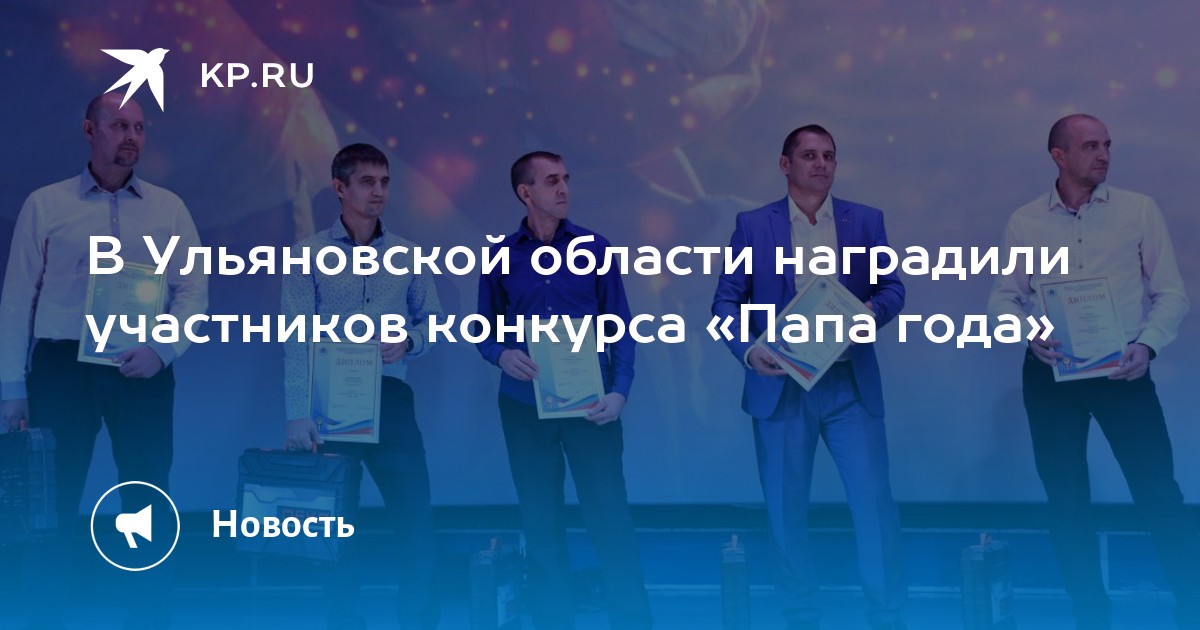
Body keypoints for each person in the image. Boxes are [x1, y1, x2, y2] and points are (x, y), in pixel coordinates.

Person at [0, 92, 208, 628]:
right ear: (89, 130)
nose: (131, 136)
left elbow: (193, 293)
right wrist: (11, 387)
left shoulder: (169, 208)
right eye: (118, 125)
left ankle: (149, 618)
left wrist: (163, 350)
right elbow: (18, 298)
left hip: (142, 368)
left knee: (147, 494)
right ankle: (40, 619)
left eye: (139, 126)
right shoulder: (46, 204)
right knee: (52, 498)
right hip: (63, 369)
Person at [988, 113, 1199, 629]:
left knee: (1159, 494)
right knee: (1066, 502)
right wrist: (1028, 333)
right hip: (1051, 378)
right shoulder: (1025, 221)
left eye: (1106, 145)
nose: (1103, 155)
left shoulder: (1138, 210)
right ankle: (1090, 612)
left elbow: (1171, 293)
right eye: (1090, 146)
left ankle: (1192, 605)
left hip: (1123, 373)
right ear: (1058, 156)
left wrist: (1147, 346)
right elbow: (1003, 299)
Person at [711, 125, 907, 630]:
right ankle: (800, 615)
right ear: (785, 165)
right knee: (785, 509)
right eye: (810, 155)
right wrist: (749, 350)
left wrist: (871, 311)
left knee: (874, 503)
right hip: (782, 387)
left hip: (848, 386)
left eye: (829, 156)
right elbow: (725, 303)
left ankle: (887, 614)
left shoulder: (866, 221)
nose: (821, 164)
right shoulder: (753, 225)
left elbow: (892, 289)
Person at [475, 151, 653, 630]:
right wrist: (499, 354)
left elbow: (621, 327)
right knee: (540, 517)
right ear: (525, 192)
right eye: (552, 181)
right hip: (523, 405)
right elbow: (483, 328)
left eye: (567, 179)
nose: (564, 189)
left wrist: (620, 391)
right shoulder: (500, 255)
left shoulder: (596, 248)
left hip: (592, 403)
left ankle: (633, 620)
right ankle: (553, 619)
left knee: (608, 513)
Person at [281, 143, 442, 630]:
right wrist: (297, 413)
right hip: (332, 402)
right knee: (336, 524)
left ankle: (419, 621)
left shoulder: (408, 254)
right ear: (339, 187)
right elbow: (296, 336)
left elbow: (433, 320)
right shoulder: (307, 254)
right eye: (368, 182)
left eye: (385, 182)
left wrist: (409, 341)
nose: (379, 191)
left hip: (391, 399)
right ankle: (343, 620)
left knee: (415, 518)